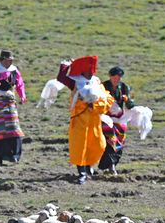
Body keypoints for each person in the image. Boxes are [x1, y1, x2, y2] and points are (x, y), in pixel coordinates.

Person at [56, 56, 114, 184]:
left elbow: (108, 98)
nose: (91, 74)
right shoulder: (75, 82)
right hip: (79, 121)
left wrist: (94, 105)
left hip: (94, 121)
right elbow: (61, 78)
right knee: (80, 147)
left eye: (92, 71)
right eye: (88, 71)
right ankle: (82, 172)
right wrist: (65, 65)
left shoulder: (96, 82)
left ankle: (89, 167)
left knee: (97, 145)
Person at [98, 66, 135, 175]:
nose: (116, 80)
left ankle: (112, 163)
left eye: (119, 78)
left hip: (119, 117)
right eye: (114, 77)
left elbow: (131, 104)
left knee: (120, 140)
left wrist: (127, 100)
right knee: (110, 138)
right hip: (105, 117)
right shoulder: (103, 86)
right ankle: (110, 165)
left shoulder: (124, 87)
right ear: (110, 77)